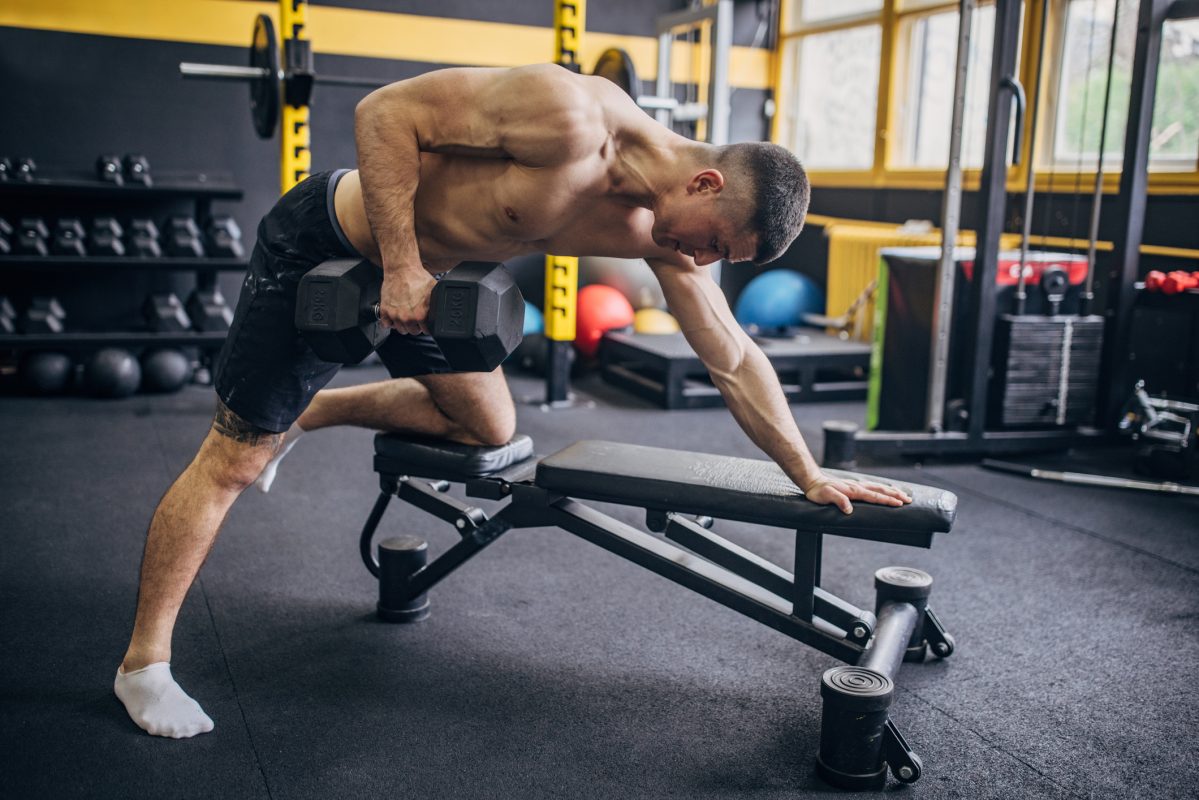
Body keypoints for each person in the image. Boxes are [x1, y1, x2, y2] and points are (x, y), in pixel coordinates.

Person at [115, 63, 911, 739]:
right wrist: (398, 266)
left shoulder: (656, 233)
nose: (702, 260)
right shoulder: (567, 115)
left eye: (718, 257)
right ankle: (143, 665)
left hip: (424, 284)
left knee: (488, 426)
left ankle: (307, 415)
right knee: (231, 460)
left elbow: (734, 357)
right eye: (713, 242)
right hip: (330, 243)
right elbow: (384, 113)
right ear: (705, 182)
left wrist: (807, 470)